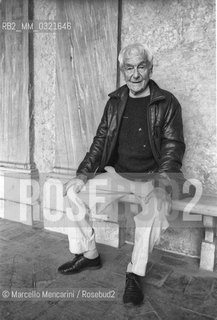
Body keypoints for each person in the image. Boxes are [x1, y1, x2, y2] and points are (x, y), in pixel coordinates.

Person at [58, 43, 186, 305]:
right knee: (73, 192)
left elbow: (173, 147)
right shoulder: (115, 101)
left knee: (154, 212)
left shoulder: (167, 102)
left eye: (141, 66)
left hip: (152, 177)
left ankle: (135, 273)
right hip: (117, 176)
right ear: (122, 70)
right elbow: (101, 139)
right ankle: (89, 254)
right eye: (129, 68)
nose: (135, 74)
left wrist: (163, 184)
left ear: (151, 68)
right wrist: (83, 174)